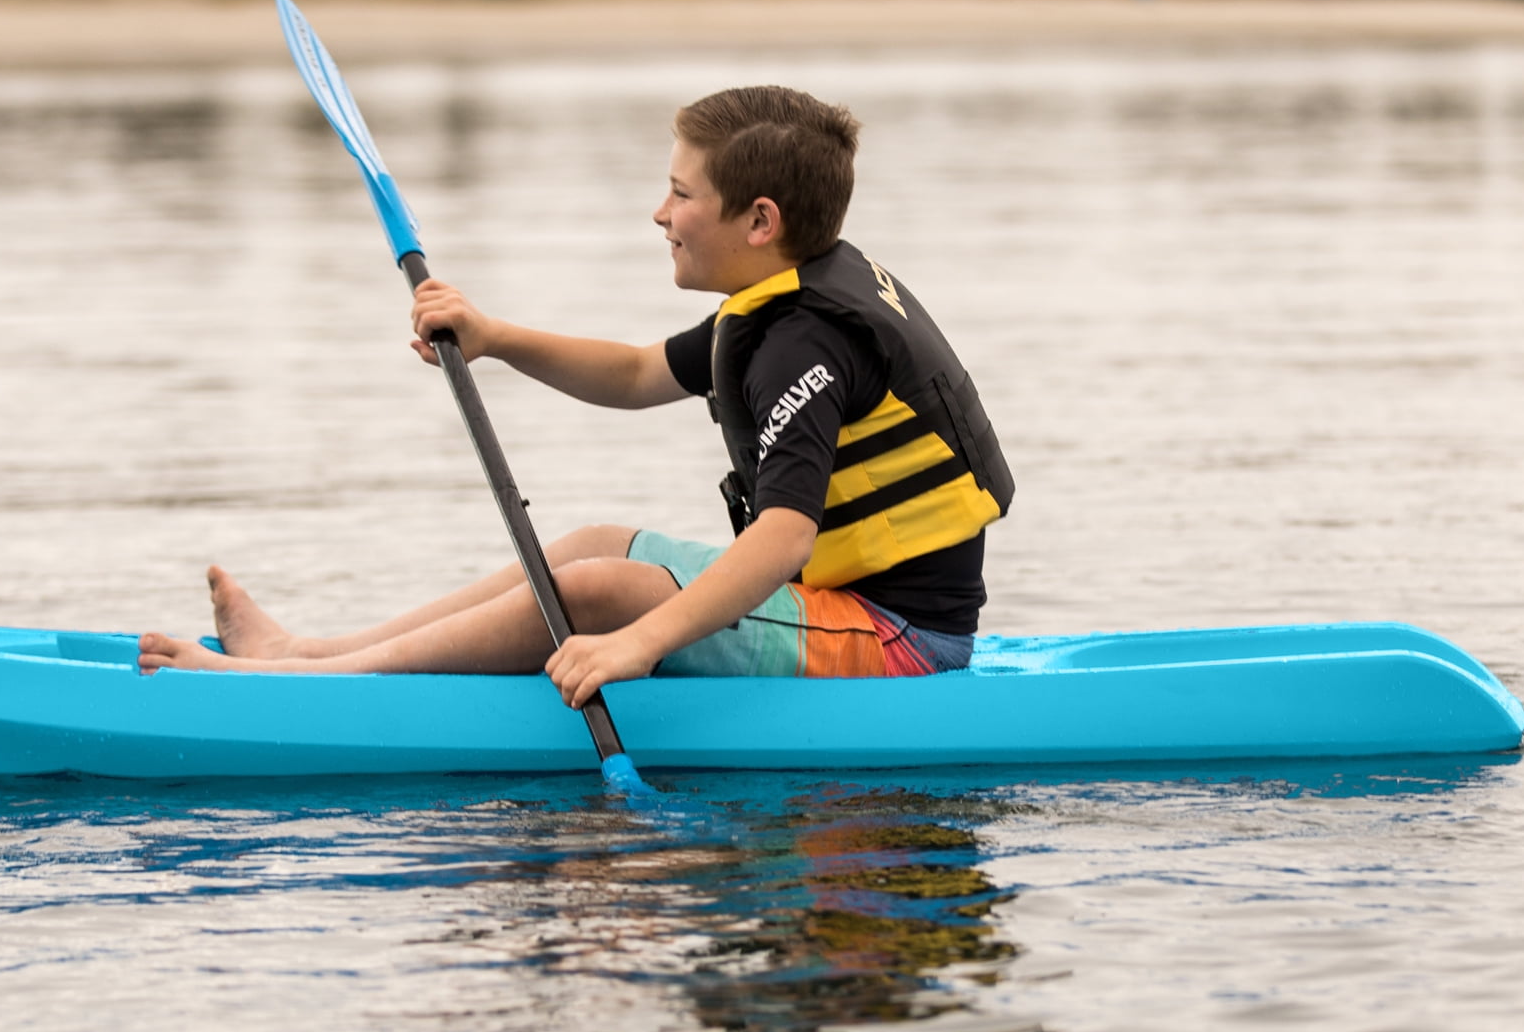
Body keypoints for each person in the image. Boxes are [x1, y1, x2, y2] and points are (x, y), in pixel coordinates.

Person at [138, 85, 1014, 706]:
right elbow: (635, 374)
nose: (660, 214)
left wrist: (639, 642)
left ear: (759, 222)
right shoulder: (787, 299)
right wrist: (492, 337)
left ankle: (303, 689)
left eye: (680, 193)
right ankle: (312, 651)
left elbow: (785, 538)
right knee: (598, 546)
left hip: (901, 645)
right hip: (848, 609)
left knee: (600, 593)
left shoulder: (804, 343)